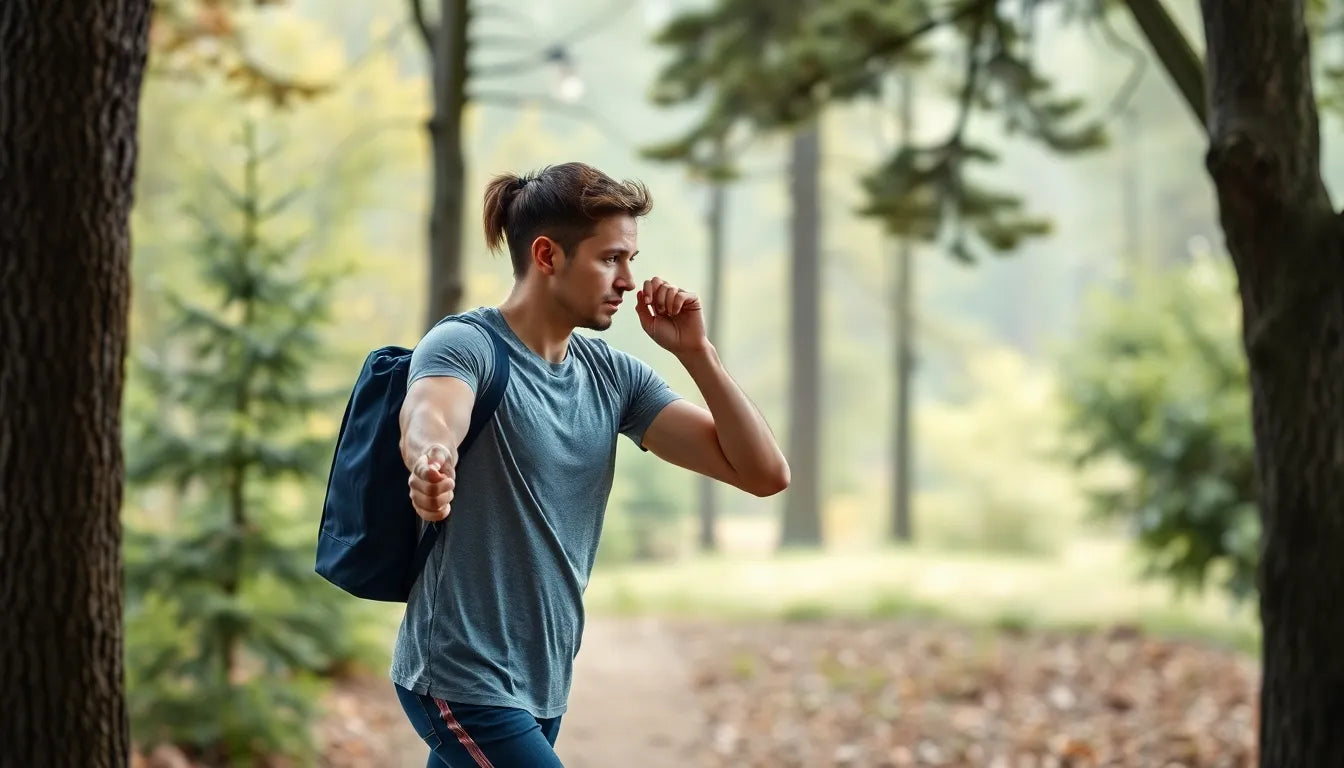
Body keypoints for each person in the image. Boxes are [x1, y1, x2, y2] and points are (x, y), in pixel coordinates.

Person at [392, 161, 789, 767]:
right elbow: (431, 414)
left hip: (543, 681)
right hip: (461, 676)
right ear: (548, 256)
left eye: (630, 259)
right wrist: (430, 461)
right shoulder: (465, 344)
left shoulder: (612, 377)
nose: (629, 280)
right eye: (611, 259)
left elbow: (763, 474)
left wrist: (698, 354)